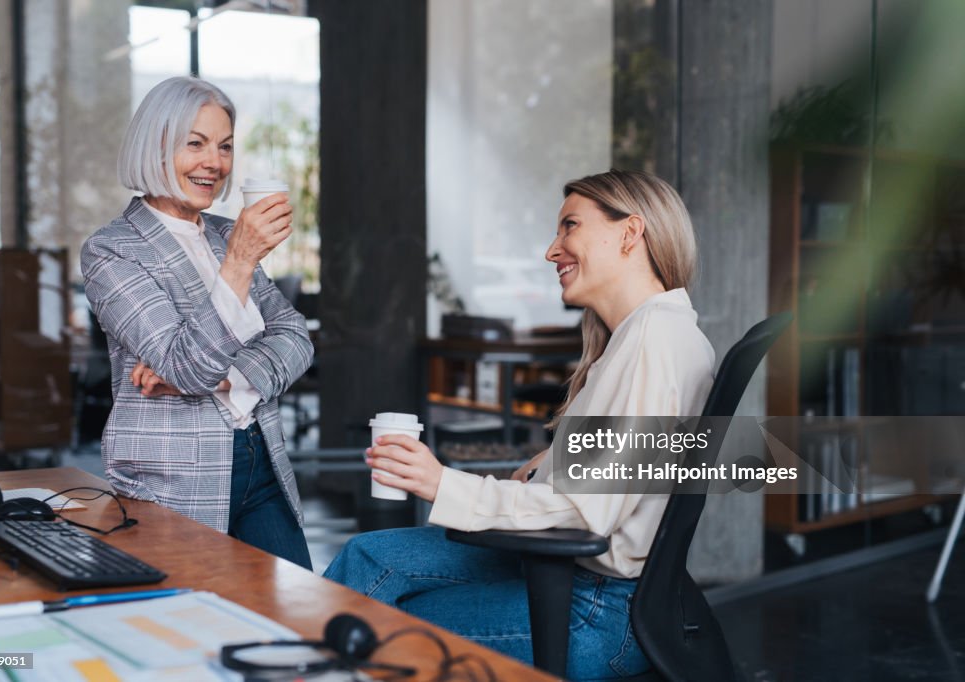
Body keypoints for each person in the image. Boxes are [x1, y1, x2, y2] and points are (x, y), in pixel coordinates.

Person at [324, 169, 715, 679]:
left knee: (381, 628)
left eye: (570, 226)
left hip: (597, 611)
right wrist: (557, 460)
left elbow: (583, 512)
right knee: (368, 558)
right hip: (593, 585)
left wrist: (441, 483)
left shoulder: (651, 342)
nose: (552, 251)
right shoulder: (658, 332)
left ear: (629, 232)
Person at [81, 76, 314, 570]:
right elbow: (185, 368)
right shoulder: (112, 250)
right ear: (155, 146)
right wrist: (241, 260)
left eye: (225, 146)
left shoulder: (226, 234)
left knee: (296, 610)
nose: (215, 162)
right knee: (189, 608)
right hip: (172, 479)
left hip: (262, 460)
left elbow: (296, 337)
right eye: (196, 143)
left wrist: (230, 378)